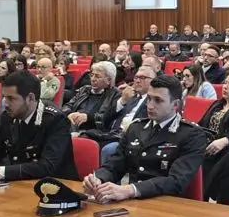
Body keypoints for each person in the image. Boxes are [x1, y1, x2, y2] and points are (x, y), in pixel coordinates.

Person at [83, 75, 208, 203]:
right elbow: (115, 164)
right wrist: (98, 178)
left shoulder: (192, 135)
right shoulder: (136, 128)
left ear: (175, 105)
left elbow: (176, 181)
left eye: (158, 100)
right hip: (133, 203)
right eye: (149, 98)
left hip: (167, 205)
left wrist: (130, 189)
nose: (150, 105)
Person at [0, 71, 78, 181]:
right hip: (19, 184)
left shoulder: (55, 120)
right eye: (4, 97)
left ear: (30, 98)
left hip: (55, 187)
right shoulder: (7, 116)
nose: (5, 104)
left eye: (11, 98)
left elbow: (46, 166)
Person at [87, 66, 156, 162]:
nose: (138, 81)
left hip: (130, 138)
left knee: (109, 149)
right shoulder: (130, 96)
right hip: (111, 134)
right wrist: (122, 101)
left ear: (154, 81)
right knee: (82, 138)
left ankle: (102, 176)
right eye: (136, 77)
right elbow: (105, 119)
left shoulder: (154, 100)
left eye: (143, 78)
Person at [64, 61, 123, 131]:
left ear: (109, 80)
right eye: (92, 75)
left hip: (95, 132)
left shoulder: (116, 94)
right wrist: (69, 114)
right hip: (73, 126)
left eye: (97, 76)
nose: (93, 79)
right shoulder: (84, 89)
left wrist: (88, 118)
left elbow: (108, 117)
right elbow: (67, 106)